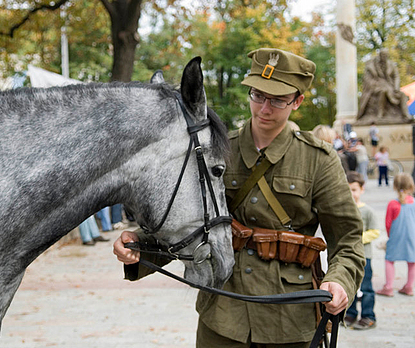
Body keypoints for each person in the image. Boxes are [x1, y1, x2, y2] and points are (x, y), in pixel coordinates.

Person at [114, 48, 365, 347]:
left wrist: (340, 280)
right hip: (223, 315)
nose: (264, 108)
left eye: (277, 100)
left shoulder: (318, 160)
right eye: (257, 95)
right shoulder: (216, 149)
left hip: (290, 318)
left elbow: (348, 239)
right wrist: (141, 246)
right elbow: (190, 222)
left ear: (297, 101)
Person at [344, 172, 380, 330]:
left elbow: (375, 231)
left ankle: (368, 316)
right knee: (349, 286)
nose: (351, 193)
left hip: (365, 256)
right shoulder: (343, 210)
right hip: (348, 256)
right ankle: (351, 313)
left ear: (361, 190)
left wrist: (358, 238)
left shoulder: (368, 211)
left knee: (365, 287)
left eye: (354, 190)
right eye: (348, 190)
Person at [376, 173, 415, 297]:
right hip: (412, 237)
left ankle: (388, 287)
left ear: (395, 186)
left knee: (389, 259)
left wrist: (390, 236)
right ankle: (409, 287)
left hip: (396, 236)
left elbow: (388, 223)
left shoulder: (393, 204)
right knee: (412, 262)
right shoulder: (414, 202)